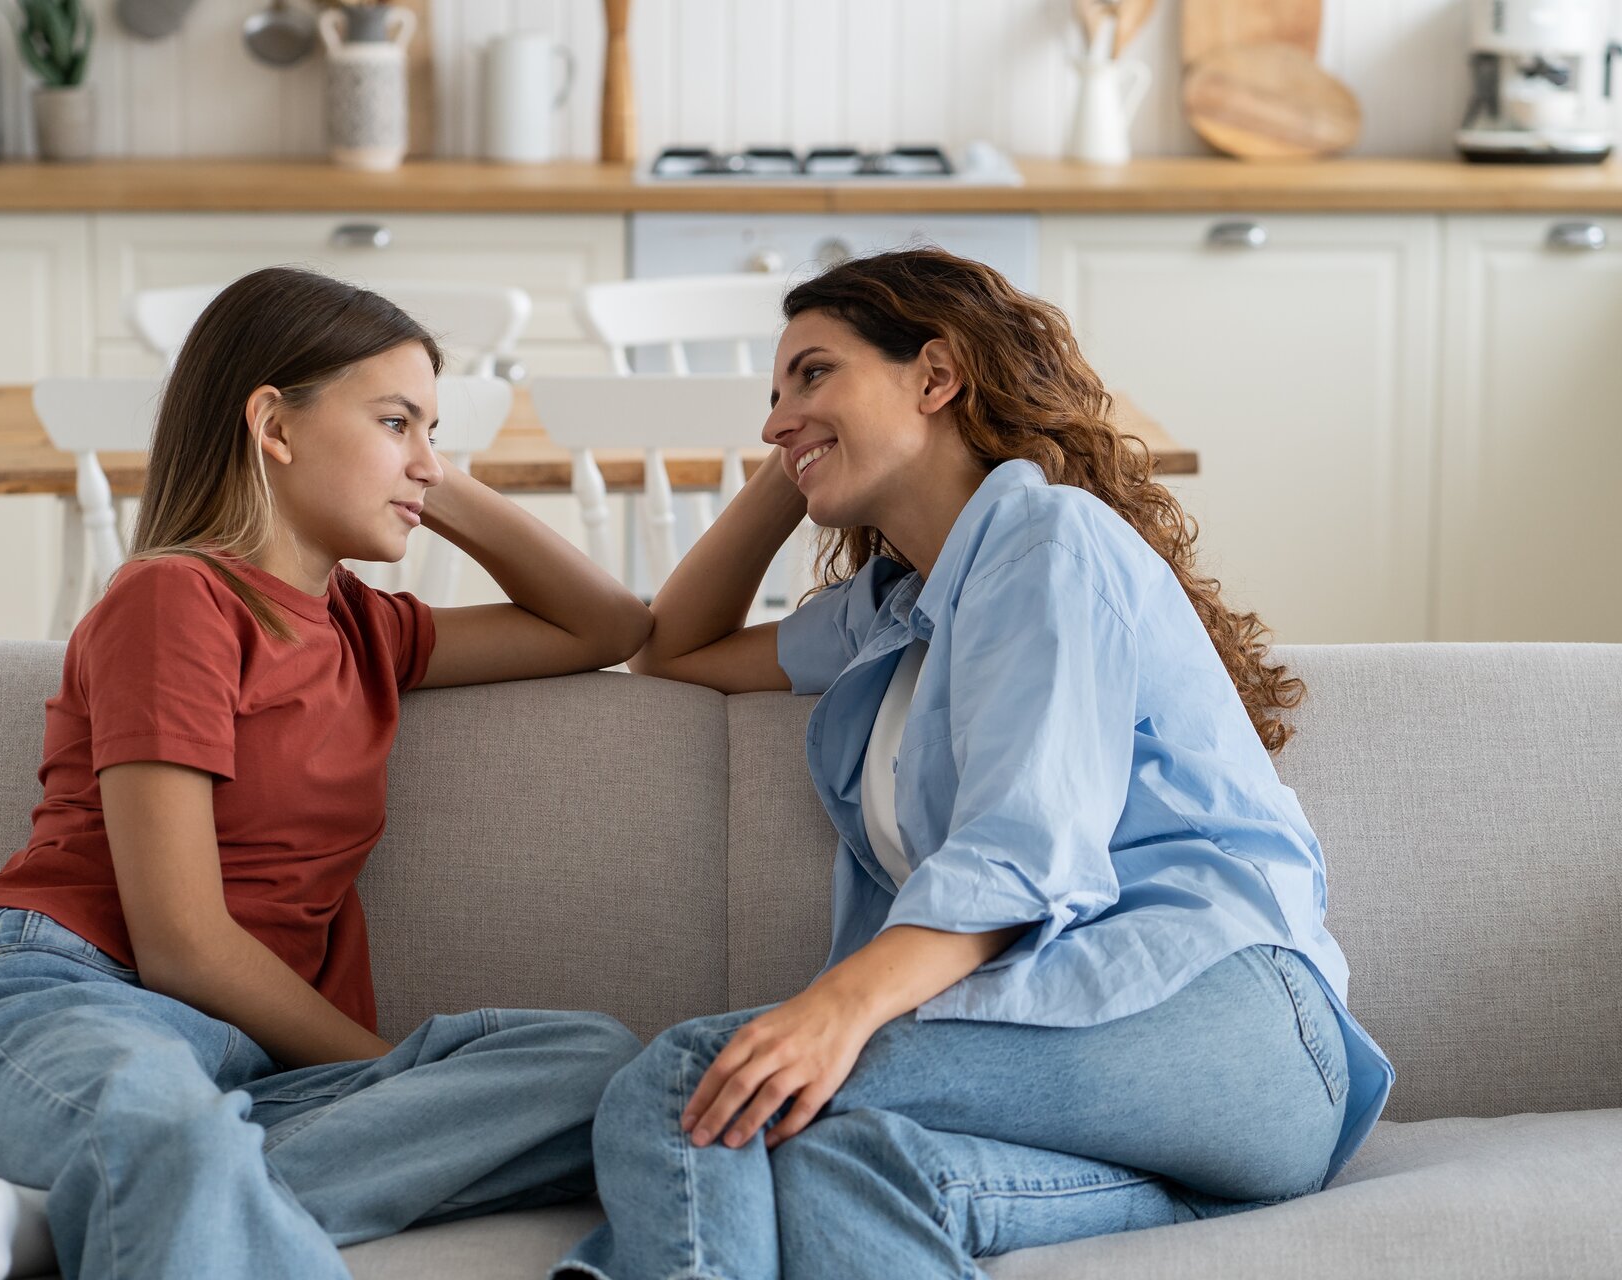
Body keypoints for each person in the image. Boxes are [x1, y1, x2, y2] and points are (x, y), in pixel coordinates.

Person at [554, 248, 1393, 1280]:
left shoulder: (1049, 541)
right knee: (837, 1159)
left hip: (1227, 1021)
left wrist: (835, 1008)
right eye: (774, 395)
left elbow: (1022, 847)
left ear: (936, 375)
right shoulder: (899, 609)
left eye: (814, 372)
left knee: (693, 1075)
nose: (775, 416)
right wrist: (803, 453)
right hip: (1149, 1104)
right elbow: (673, 646)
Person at [0, 267, 654, 1280]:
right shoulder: (175, 600)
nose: (425, 457)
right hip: (57, 1003)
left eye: (433, 429)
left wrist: (431, 475)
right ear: (273, 426)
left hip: (233, 1065)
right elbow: (185, 946)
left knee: (599, 1069)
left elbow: (609, 625)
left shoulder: (368, 630)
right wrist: (384, 1073)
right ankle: (144, 1172)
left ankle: (75, 1207)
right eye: (395, 421)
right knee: (173, 1121)